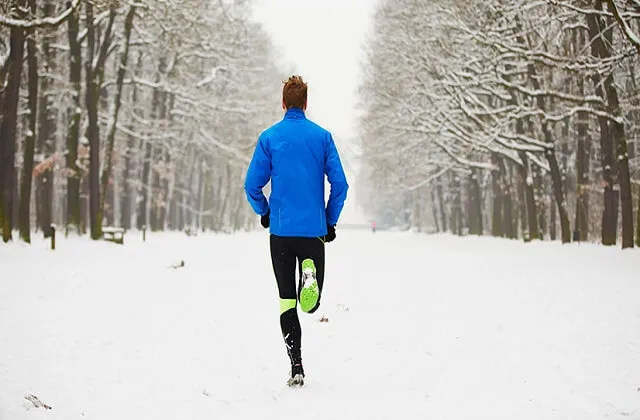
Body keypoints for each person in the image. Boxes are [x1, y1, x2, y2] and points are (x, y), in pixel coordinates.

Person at [243, 75, 349, 387]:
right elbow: (340, 184)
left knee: (287, 301)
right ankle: (310, 275)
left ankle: (296, 367)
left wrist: (265, 211)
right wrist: (329, 220)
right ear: (305, 104)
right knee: (310, 304)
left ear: (283, 103)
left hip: (281, 232)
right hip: (313, 231)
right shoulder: (323, 137)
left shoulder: (269, 138)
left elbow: (252, 185)